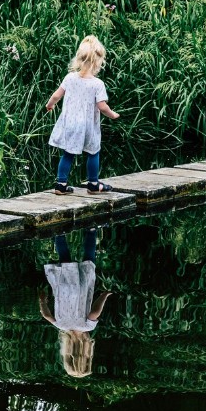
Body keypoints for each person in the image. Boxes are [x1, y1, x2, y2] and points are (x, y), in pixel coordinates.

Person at [45, 35, 120, 195]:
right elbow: (102, 106)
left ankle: (61, 184)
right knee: (93, 151)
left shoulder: (70, 78)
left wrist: (50, 105)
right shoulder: (97, 84)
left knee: (68, 153)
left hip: (70, 123)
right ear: (97, 62)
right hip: (87, 125)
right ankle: (93, 183)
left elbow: (56, 95)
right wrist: (112, 114)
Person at [39, 229, 112, 378]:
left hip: (82, 288)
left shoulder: (87, 326)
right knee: (64, 256)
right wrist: (42, 300)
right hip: (65, 287)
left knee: (89, 259)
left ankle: (91, 230)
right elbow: (46, 315)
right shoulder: (61, 325)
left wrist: (104, 295)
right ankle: (59, 232)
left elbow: (94, 313)